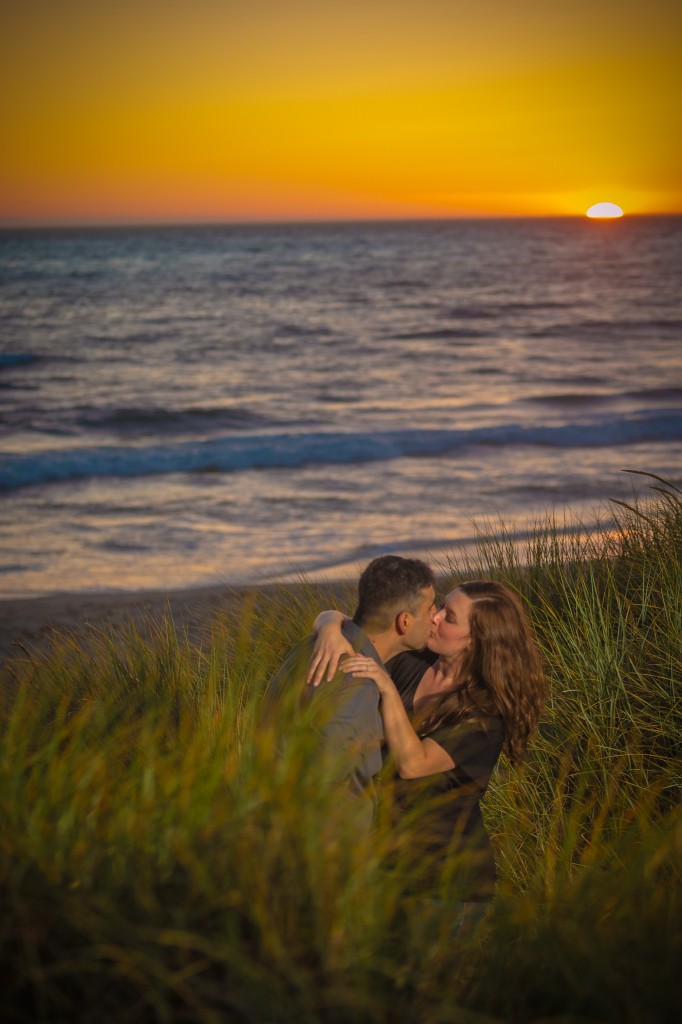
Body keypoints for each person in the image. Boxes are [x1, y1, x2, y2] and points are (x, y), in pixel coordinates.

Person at [307, 580, 546, 908]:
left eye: (449, 618)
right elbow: (341, 620)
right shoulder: (413, 662)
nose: (433, 618)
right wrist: (331, 630)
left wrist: (388, 690)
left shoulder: (485, 716)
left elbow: (413, 764)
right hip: (388, 867)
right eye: (441, 607)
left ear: (476, 642)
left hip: (448, 883)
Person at [263, 555, 437, 828]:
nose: (435, 616)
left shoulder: (315, 646)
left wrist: (328, 622)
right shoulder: (355, 681)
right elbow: (324, 788)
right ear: (404, 621)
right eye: (430, 609)